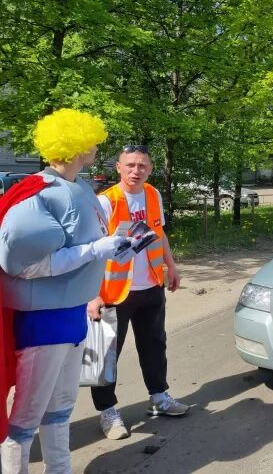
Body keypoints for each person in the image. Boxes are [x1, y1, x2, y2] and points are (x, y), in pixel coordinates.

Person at [0, 109, 125, 473]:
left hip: (73, 314)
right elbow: (22, 265)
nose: (98, 148)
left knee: (61, 407)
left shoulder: (80, 188)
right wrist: (94, 251)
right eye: (93, 143)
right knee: (26, 415)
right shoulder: (38, 193)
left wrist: (114, 247)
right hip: (45, 321)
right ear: (78, 146)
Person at [91, 145, 188, 441]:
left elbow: (159, 233)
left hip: (152, 287)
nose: (136, 171)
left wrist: (171, 266)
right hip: (114, 293)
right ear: (118, 167)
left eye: (142, 165)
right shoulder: (105, 202)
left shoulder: (153, 195)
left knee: (155, 345)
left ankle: (159, 397)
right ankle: (107, 412)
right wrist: (92, 296)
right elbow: (92, 253)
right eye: (130, 165)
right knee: (107, 355)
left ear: (150, 168)